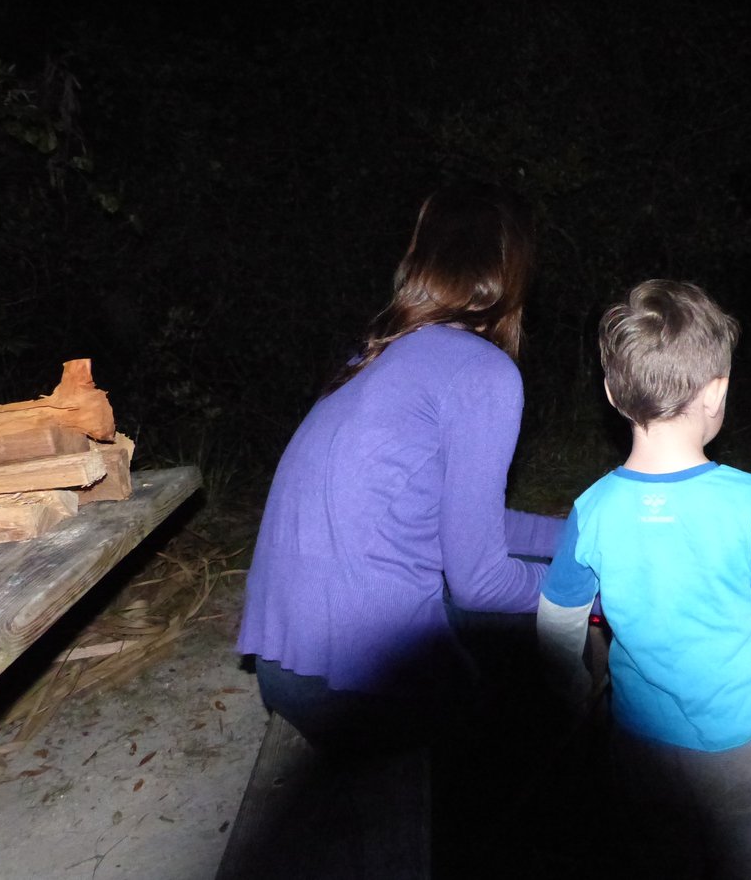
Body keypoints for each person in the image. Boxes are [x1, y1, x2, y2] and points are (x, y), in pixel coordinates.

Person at [238, 181, 563, 754]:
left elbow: (466, 523)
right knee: (547, 716)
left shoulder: (374, 357)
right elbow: (482, 582)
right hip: (365, 681)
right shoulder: (480, 372)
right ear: (512, 269)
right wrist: (606, 589)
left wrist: (584, 533)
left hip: (286, 660)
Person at [537, 280, 751, 880]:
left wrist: (565, 708)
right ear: (717, 390)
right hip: (733, 747)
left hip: (635, 742)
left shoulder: (592, 507)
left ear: (614, 394)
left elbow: (556, 624)